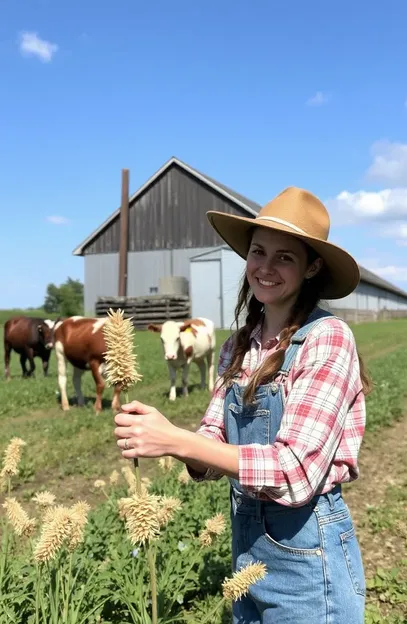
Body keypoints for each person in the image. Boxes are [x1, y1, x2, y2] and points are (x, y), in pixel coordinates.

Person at [114, 186, 371, 624]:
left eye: (284, 257)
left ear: (312, 268)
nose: (265, 268)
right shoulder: (236, 347)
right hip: (246, 541)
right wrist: (172, 440)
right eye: (258, 252)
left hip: (307, 550)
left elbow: (296, 472)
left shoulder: (328, 338)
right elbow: (213, 436)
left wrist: (177, 441)